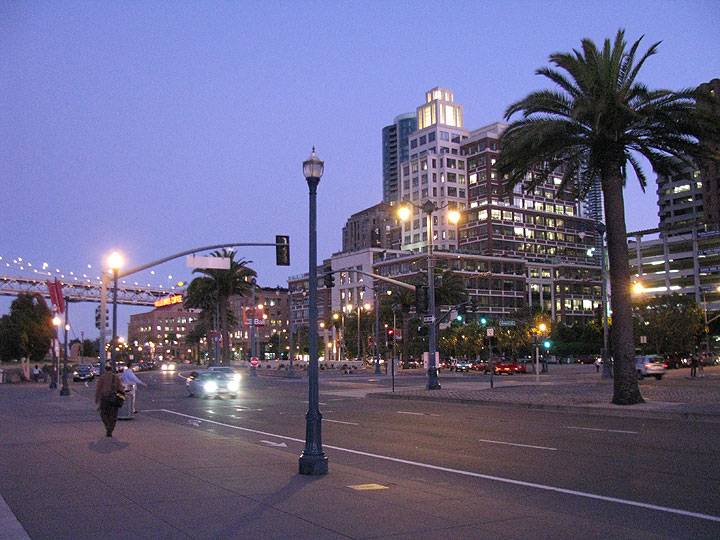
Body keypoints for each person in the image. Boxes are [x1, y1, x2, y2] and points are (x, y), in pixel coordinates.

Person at [95, 365, 124, 437]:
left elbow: (98, 389)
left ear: (105, 370)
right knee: (113, 416)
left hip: (104, 398)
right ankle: (110, 429)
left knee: (103, 414)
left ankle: (107, 426)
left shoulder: (102, 378)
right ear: (112, 369)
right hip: (114, 399)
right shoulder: (116, 377)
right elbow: (121, 389)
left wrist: (97, 399)